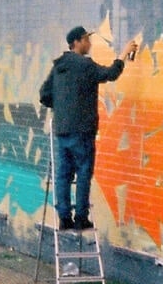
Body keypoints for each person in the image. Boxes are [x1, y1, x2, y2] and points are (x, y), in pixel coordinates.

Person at [39, 26, 137, 230]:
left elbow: (44, 95)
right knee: (83, 173)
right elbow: (110, 73)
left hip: (62, 129)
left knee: (63, 174)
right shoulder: (85, 65)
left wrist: (63, 107)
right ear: (76, 42)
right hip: (82, 129)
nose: (89, 43)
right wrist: (124, 54)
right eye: (86, 40)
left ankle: (64, 217)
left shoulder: (59, 66)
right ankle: (81, 217)